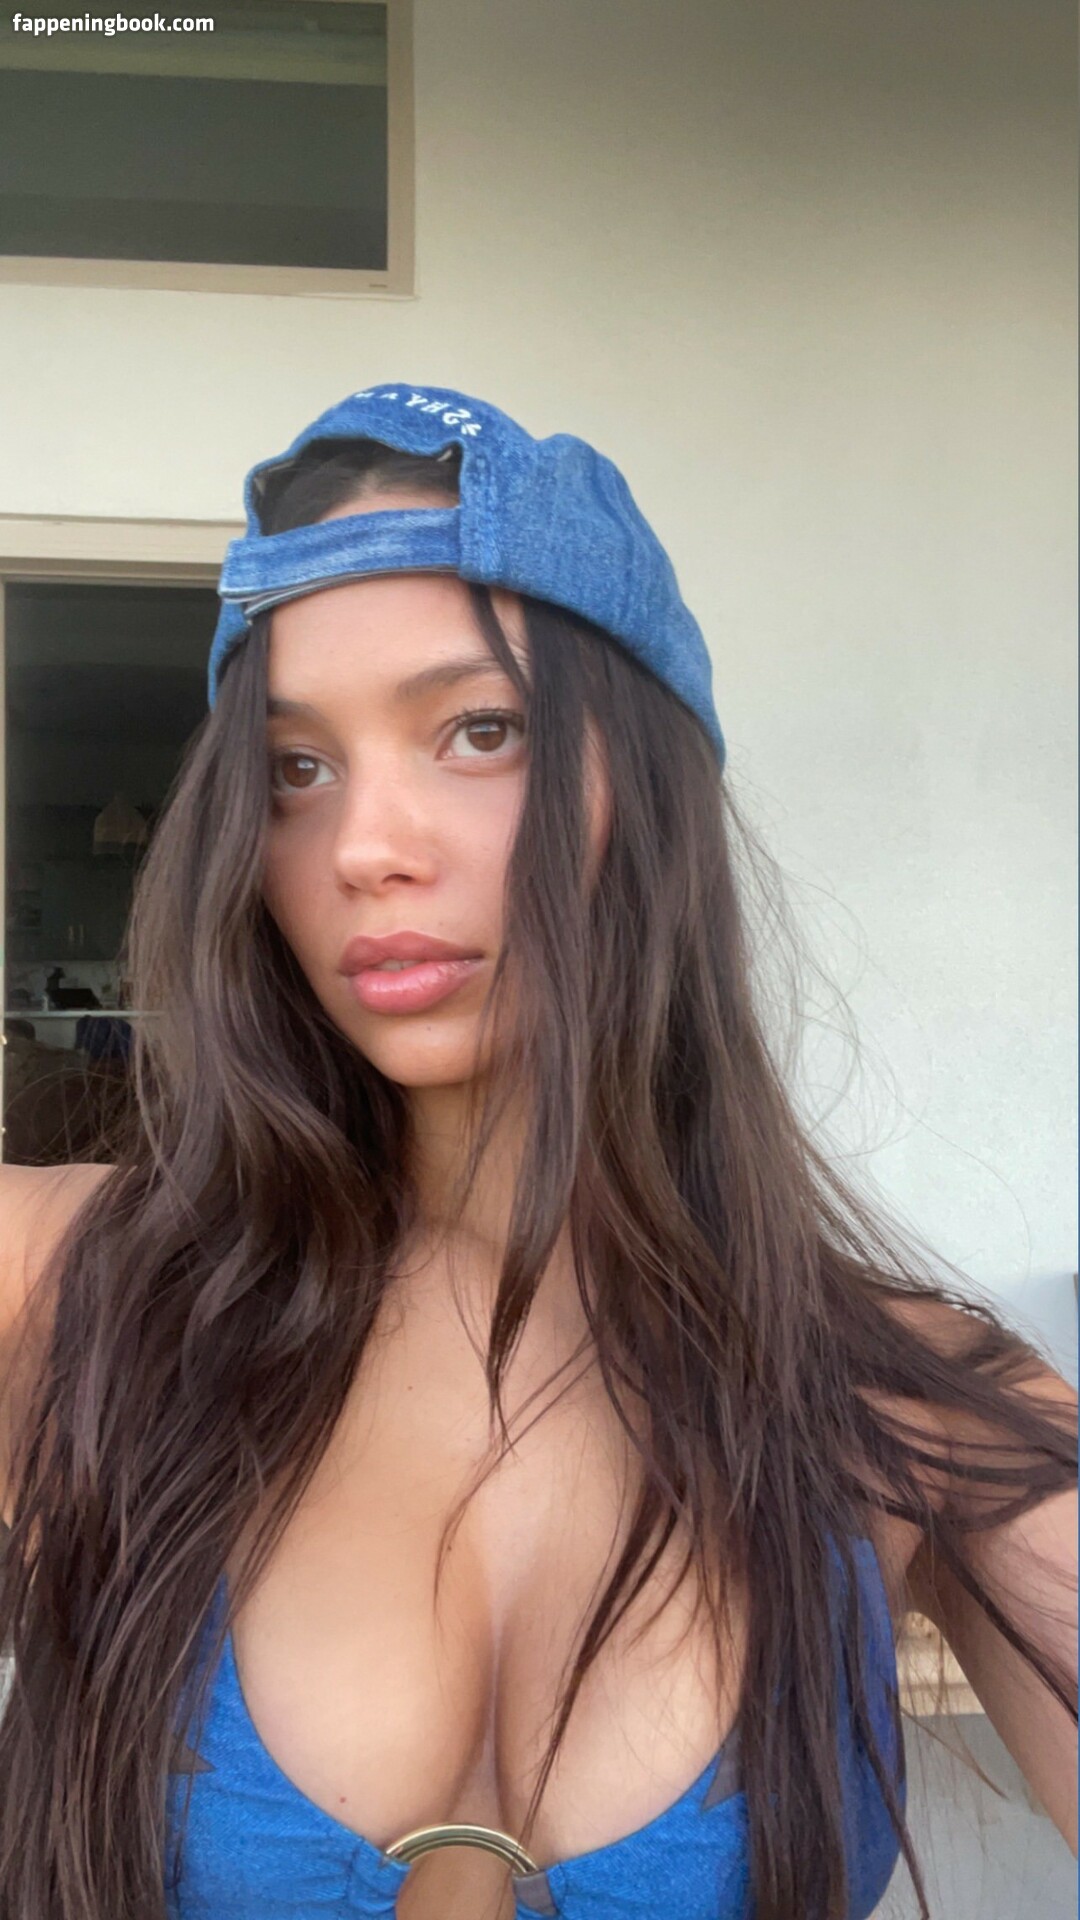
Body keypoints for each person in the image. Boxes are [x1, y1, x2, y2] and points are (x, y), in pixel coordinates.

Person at [0, 383, 1074, 1920]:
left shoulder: (911, 1408)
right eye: (296, 768)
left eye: (478, 731)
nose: (366, 846)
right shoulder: (66, 1290)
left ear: (649, 788)